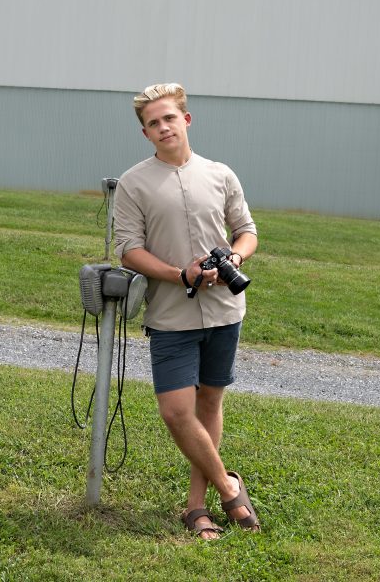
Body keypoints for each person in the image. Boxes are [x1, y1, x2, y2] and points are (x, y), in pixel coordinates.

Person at [112, 82, 261, 540]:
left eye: (169, 118)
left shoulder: (220, 174)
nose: (163, 127)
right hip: (170, 315)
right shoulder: (133, 183)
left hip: (224, 311)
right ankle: (229, 487)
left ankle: (197, 509)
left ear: (186, 120)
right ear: (145, 133)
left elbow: (247, 231)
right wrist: (180, 274)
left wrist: (235, 258)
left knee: (209, 402)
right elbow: (128, 250)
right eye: (153, 123)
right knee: (177, 412)